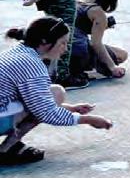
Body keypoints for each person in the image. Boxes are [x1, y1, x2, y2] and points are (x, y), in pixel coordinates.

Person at [0, 17, 112, 166]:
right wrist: (89, 120)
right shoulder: (31, 65)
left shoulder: (18, 52)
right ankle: (5, 150)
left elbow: (34, 100)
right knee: (56, 93)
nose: (65, 49)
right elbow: (45, 112)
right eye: (62, 43)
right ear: (44, 42)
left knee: (53, 92)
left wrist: (71, 108)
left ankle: (8, 147)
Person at [70, 0, 128, 80]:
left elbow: (78, 28)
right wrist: (113, 67)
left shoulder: (78, 2)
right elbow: (95, 43)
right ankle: (90, 67)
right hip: (79, 52)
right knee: (122, 55)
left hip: (64, 49)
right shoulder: (97, 12)